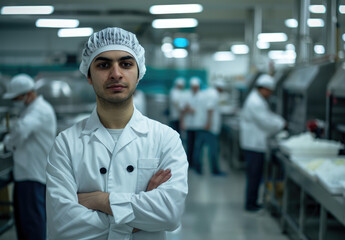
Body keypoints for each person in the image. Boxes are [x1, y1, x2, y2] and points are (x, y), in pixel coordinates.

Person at [45, 27, 189, 240]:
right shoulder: (66, 143)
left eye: (126, 64)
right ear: (88, 75)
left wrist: (99, 200)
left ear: (139, 72)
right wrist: (140, 216)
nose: (116, 73)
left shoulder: (165, 139)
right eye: (103, 65)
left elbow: (169, 215)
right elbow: (63, 227)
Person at [2, 73, 57, 240]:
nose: (15, 102)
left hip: (32, 176)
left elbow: (20, 132)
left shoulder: (40, 110)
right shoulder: (31, 109)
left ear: (28, 94)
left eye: (17, 98)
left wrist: (6, 142)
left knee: (32, 225)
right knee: (24, 223)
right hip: (25, 175)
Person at [239, 74, 285, 212]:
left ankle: (253, 202)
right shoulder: (255, 102)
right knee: (254, 176)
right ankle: (250, 204)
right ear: (263, 89)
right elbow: (265, 122)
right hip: (254, 145)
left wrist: (278, 121)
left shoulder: (257, 99)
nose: (270, 94)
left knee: (255, 175)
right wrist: (282, 124)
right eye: (269, 91)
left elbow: (267, 116)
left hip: (255, 143)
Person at [193, 79, 227, 175]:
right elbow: (210, 109)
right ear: (220, 88)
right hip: (209, 127)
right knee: (213, 149)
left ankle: (197, 168)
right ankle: (215, 170)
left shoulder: (206, 92)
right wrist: (208, 123)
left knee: (198, 148)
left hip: (200, 124)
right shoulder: (214, 94)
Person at [180, 77, 204, 168]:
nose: (195, 89)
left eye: (196, 87)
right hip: (189, 124)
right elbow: (182, 109)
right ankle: (189, 163)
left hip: (199, 124)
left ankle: (197, 164)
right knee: (189, 145)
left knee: (198, 146)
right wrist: (182, 121)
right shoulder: (185, 95)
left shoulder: (202, 95)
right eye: (193, 87)